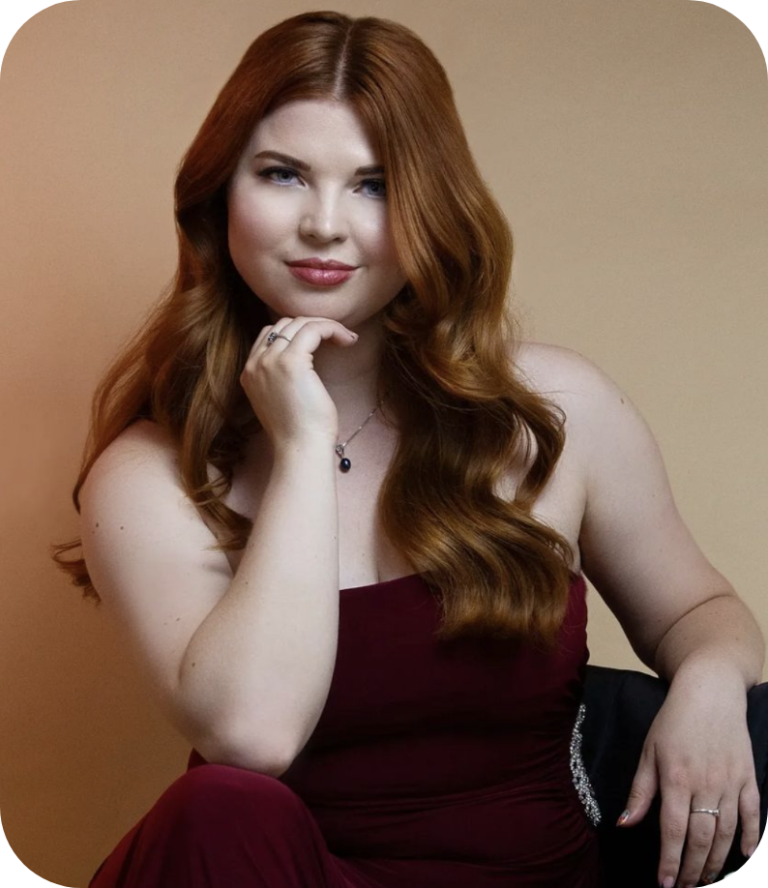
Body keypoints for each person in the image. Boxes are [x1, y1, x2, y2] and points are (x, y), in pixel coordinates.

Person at [51, 9, 764, 888]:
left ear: (432, 204)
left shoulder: (552, 407)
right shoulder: (149, 474)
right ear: (217, 195)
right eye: (282, 174)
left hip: (542, 873)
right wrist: (304, 446)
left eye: (375, 185)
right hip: (278, 872)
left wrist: (711, 685)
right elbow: (252, 737)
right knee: (221, 810)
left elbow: (698, 612)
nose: (323, 225)